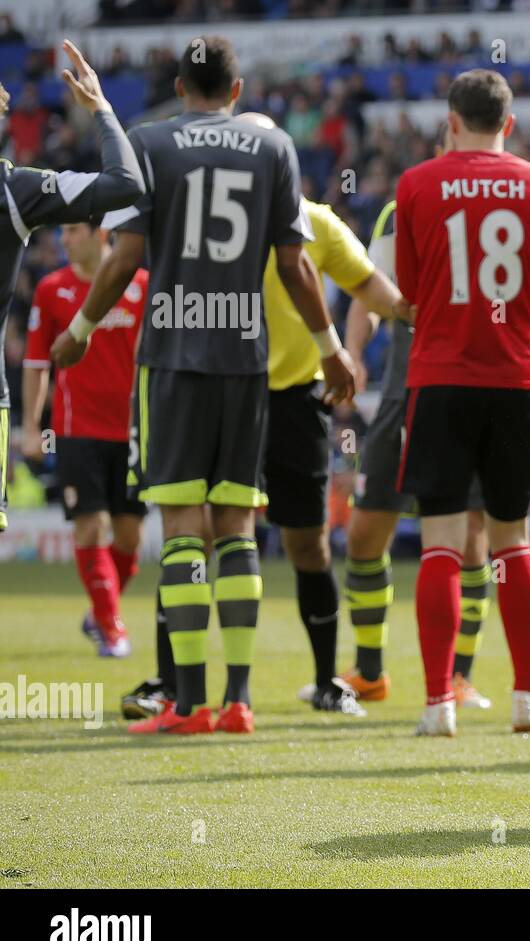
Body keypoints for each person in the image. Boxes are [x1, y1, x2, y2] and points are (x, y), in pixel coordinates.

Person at [52, 35, 357, 735]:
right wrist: (330, 348)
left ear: (181, 89)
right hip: (246, 363)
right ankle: (240, 700)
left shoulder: (151, 143)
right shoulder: (274, 147)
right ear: (238, 89)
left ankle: (189, 704)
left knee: (184, 526)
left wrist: (81, 329)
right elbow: (294, 265)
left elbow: (126, 253)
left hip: (174, 361)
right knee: (238, 524)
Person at [214, 114, 412, 718]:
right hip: (222, 393)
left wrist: (428, 313)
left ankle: (328, 680)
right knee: (211, 534)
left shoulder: (317, 222)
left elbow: (374, 290)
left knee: (306, 544)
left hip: (297, 399)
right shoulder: (215, 224)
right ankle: (203, 687)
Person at [394, 69, 530, 737]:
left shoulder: (418, 183)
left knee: (440, 540)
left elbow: (409, 289)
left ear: (452, 120)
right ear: (511, 123)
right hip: (515, 376)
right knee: (511, 540)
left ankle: (439, 705)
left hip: (439, 375)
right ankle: (528, 699)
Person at [340, 124, 494, 713]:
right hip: (406, 389)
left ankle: (459, 676)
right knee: (364, 531)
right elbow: (367, 291)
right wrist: (354, 354)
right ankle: (372, 671)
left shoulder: (497, 206)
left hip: (476, 388)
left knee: (473, 534)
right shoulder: (402, 209)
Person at [0, 41, 144, 540]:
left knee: (118, 530)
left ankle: (106, 619)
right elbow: (126, 183)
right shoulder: (14, 191)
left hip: (112, 425)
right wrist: (101, 108)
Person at [21, 219, 148, 658]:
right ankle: (112, 630)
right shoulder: (51, 289)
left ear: (101, 233)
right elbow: (37, 363)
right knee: (91, 528)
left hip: (134, 433)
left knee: (128, 538)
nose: (64, 238)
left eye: (73, 230)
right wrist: (35, 427)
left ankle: (99, 610)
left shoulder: (143, 285)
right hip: (77, 431)